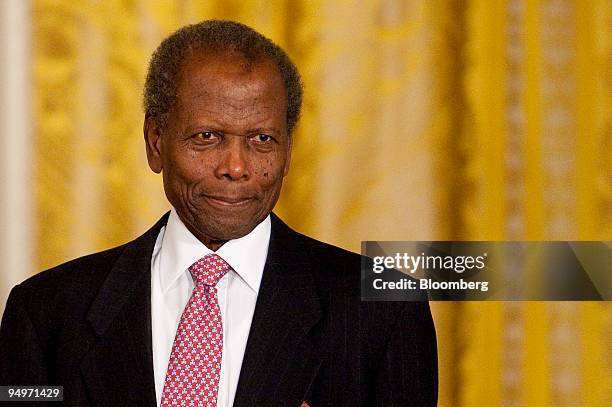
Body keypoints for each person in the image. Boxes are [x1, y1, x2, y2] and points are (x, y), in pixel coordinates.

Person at [0, 20, 437, 406]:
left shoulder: (385, 312)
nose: (236, 167)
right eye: (207, 136)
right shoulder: (45, 313)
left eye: (263, 139)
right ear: (155, 141)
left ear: (288, 151)